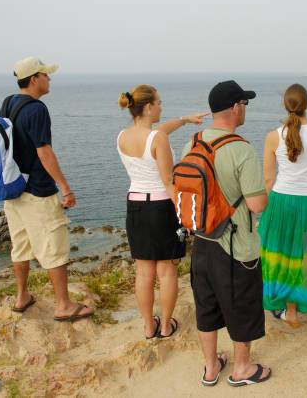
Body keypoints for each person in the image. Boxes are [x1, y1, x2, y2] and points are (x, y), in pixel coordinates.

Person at [182, 80, 271, 387]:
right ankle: (242, 369)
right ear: (235, 108)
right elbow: (257, 204)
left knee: (206, 306)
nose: (245, 109)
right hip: (235, 246)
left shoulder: (191, 143)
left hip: (202, 243)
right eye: (244, 104)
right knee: (242, 305)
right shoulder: (241, 149)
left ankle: (210, 367)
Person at [3, 56, 94, 321]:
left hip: (14, 188)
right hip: (38, 191)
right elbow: (44, 153)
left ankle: (22, 297)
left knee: (20, 245)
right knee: (54, 247)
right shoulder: (37, 110)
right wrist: (65, 187)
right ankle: (63, 305)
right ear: (35, 79)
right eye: (46, 75)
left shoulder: (9, 102)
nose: (49, 79)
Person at [117, 85, 208, 339]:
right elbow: (169, 181)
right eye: (159, 102)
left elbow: (155, 133)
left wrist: (183, 120)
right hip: (161, 207)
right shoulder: (158, 139)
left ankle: (149, 326)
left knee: (144, 271)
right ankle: (166, 326)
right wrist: (186, 216)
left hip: (135, 206)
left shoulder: (122, 136)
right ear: (148, 107)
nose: (161, 106)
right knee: (166, 270)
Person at [258, 83, 307, 328]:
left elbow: (268, 179)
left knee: (285, 255)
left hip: (281, 202)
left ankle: (290, 311)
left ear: (285, 105)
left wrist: (266, 212)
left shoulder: (273, 136)